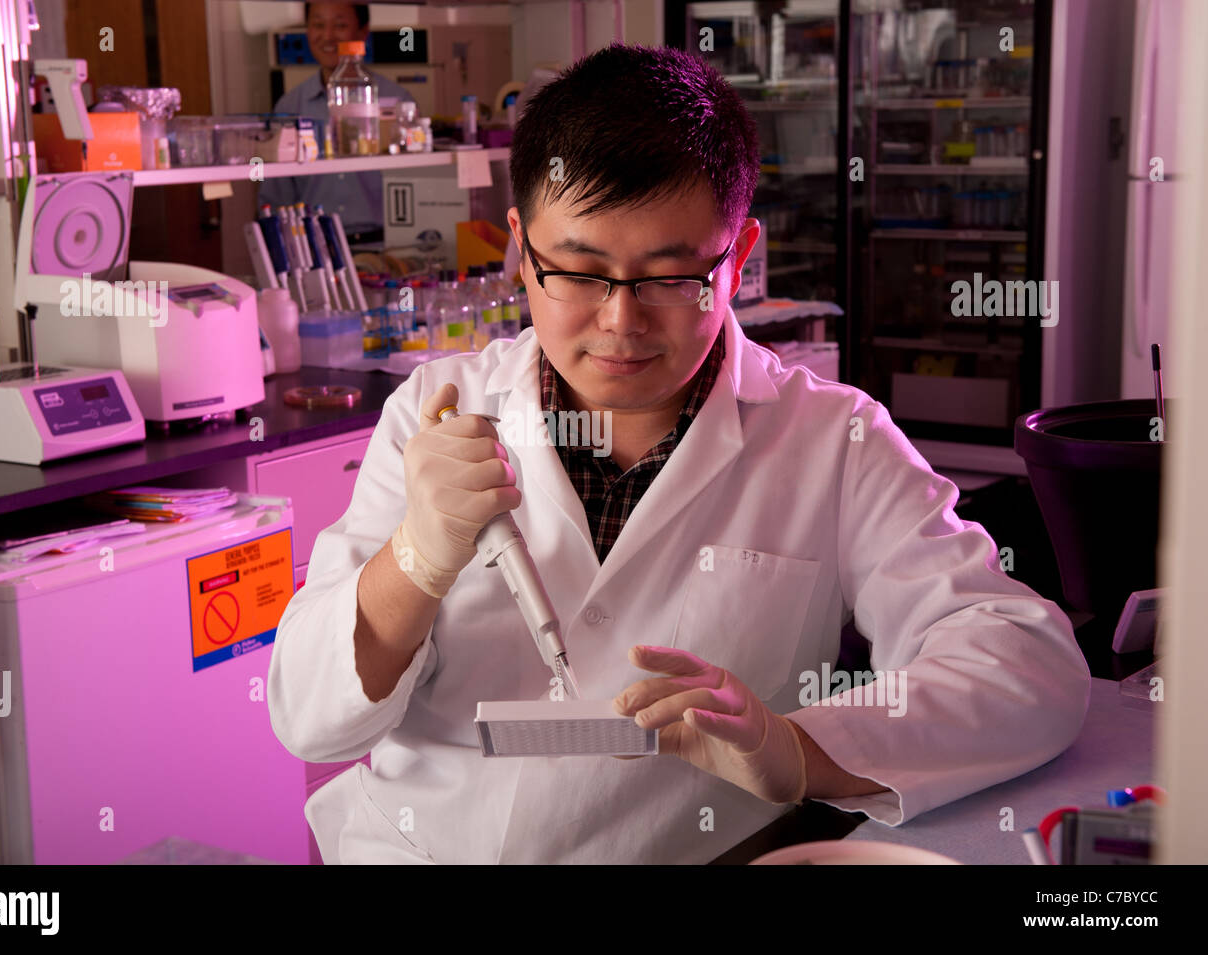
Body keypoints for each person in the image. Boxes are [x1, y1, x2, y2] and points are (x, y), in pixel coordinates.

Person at [267, 43, 1091, 864]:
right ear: (520, 247)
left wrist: (798, 748)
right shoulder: (434, 411)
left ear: (738, 257)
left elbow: (1029, 662)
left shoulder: (833, 440)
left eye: (672, 278)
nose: (622, 323)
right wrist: (415, 556)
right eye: (580, 271)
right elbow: (310, 718)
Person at [257, 1, 415, 232]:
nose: (328, 36)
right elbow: (275, 194)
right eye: (318, 25)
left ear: (363, 31)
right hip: (313, 249)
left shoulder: (396, 101)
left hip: (386, 246)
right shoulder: (290, 106)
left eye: (340, 25)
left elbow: (418, 184)